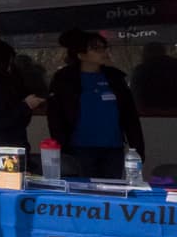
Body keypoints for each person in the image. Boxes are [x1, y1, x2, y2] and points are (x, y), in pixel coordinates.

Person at [48, 30, 145, 179]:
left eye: (104, 47)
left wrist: (137, 147)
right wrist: (61, 147)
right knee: (82, 193)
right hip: (79, 149)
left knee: (111, 192)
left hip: (113, 148)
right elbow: (56, 117)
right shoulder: (64, 79)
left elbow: (129, 116)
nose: (103, 52)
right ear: (81, 55)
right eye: (96, 48)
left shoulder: (115, 77)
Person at [131, 42, 177, 113]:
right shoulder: (174, 66)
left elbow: (136, 96)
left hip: (148, 115)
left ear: (146, 53)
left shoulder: (142, 69)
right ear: (163, 51)